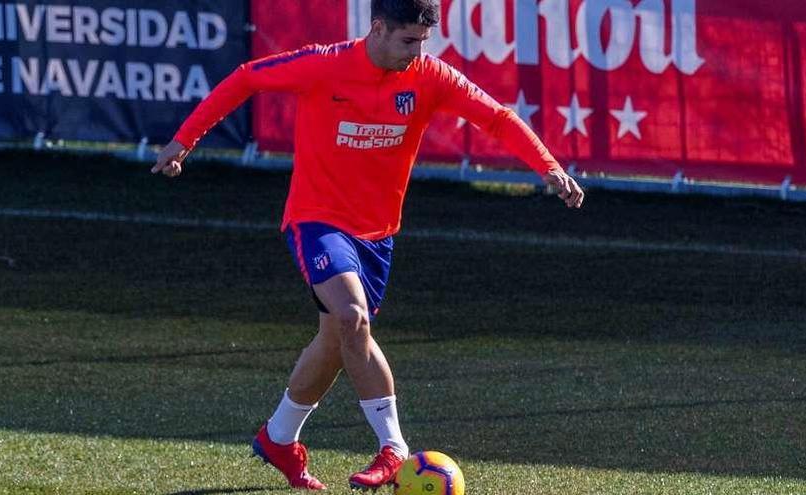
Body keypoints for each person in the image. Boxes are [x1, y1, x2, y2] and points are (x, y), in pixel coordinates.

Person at [151, 0, 584, 490]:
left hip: (377, 234)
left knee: (336, 339)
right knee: (352, 317)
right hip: (316, 220)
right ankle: (394, 449)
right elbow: (249, 76)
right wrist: (184, 141)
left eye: (423, 42)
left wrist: (549, 166)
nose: (417, 52)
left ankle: (278, 437)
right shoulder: (324, 65)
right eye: (408, 41)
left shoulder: (430, 76)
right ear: (377, 28)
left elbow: (498, 119)